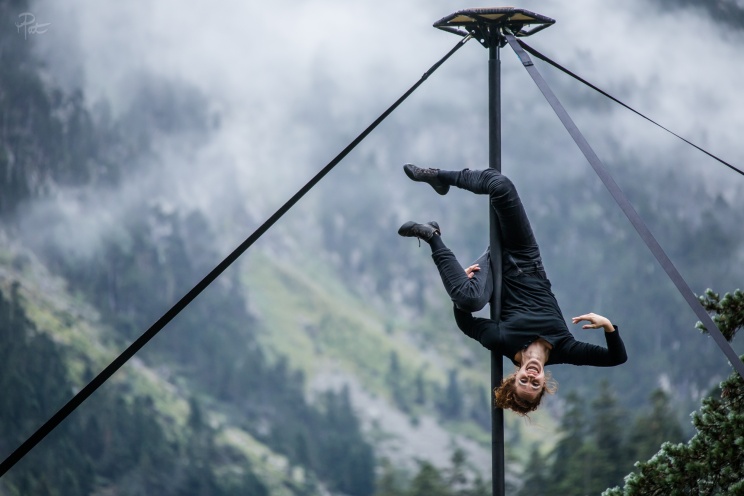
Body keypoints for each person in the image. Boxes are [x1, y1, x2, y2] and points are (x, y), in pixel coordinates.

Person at [398, 164, 627, 416]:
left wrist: (459, 286)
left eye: (523, 381)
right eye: (535, 384)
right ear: (544, 383)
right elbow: (616, 358)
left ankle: (432, 236)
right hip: (524, 257)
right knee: (501, 186)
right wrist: (607, 326)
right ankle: (440, 177)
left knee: (469, 299)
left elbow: (466, 323)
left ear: (514, 377)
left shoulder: (502, 341)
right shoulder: (565, 348)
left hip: (493, 268)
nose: (531, 377)